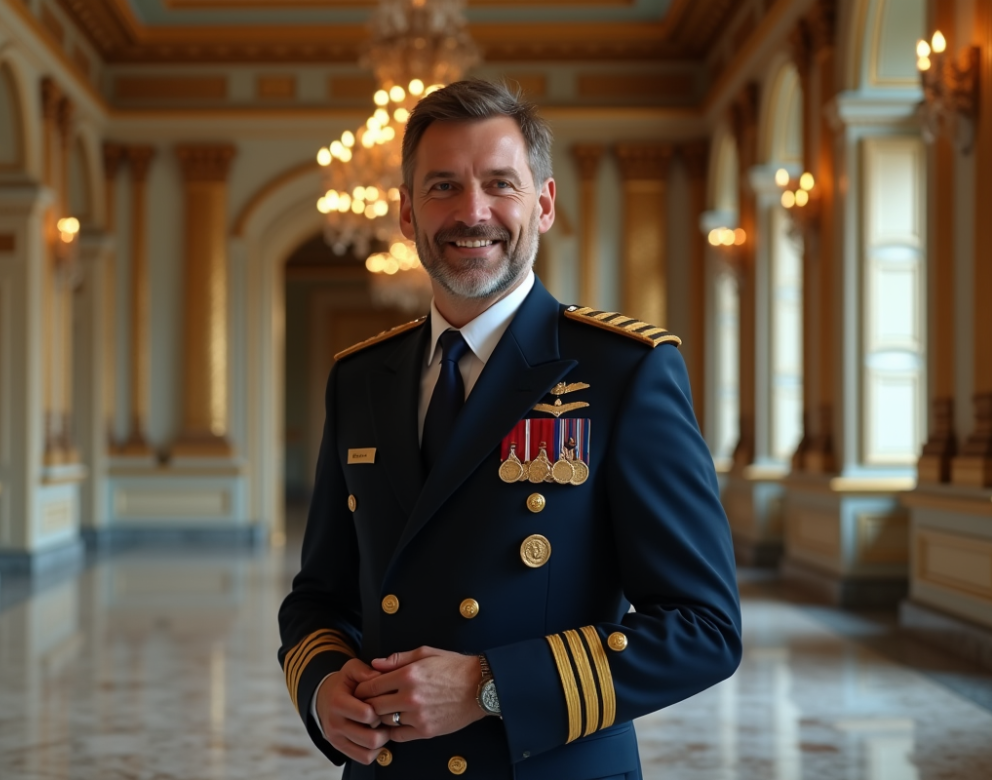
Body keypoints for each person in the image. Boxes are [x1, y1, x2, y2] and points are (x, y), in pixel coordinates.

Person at [278, 79, 741, 779]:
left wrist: (488, 684)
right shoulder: (359, 380)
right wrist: (321, 686)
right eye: (442, 187)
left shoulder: (624, 372)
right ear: (405, 213)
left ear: (544, 204)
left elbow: (704, 628)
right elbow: (320, 594)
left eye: (500, 183)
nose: (473, 212)